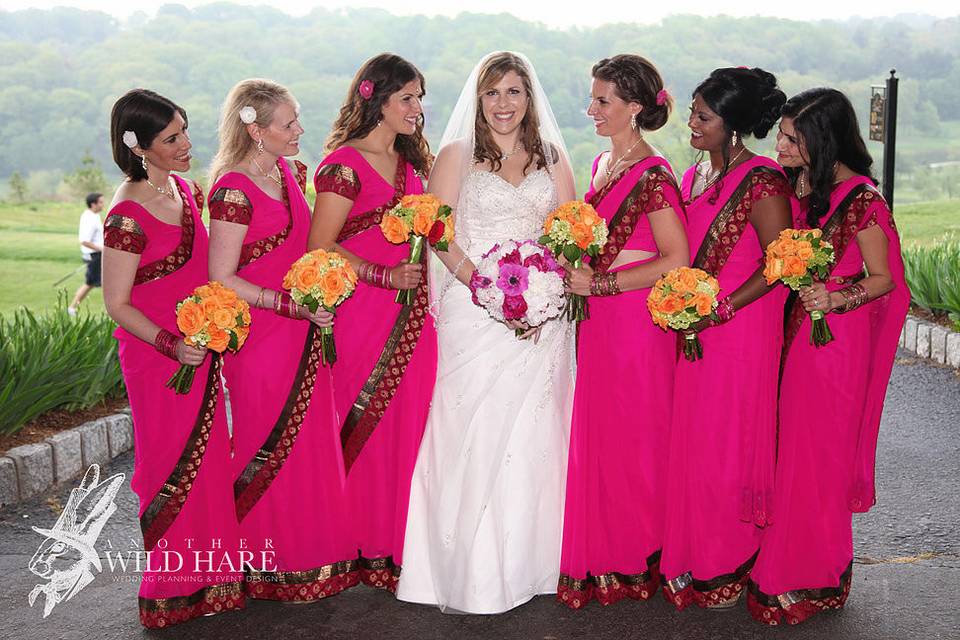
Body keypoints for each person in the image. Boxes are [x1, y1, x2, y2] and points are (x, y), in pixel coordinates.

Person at [396, 51, 577, 614]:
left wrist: (541, 292)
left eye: (514, 92)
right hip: (474, 306)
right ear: (478, 99)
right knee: (471, 430)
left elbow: (569, 234)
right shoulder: (455, 155)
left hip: (543, 314)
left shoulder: (552, 158)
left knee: (535, 432)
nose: (503, 104)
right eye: (492, 93)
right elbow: (436, 231)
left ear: (530, 98)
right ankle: (466, 572)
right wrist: (489, 288)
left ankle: (532, 563)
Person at [748, 88, 909, 625]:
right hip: (800, 336)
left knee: (815, 457)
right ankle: (795, 563)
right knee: (792, 449)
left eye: (793, 137)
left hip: (835, 344)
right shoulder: (807, 188)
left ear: (822, 141)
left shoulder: (862, 200)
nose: (781, 143)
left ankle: (811, 574)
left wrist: (836, 297)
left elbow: (883, 279)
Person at [207, 79, 358, 602]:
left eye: (297, 120)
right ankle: (265, 565)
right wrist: (287, 305)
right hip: (264, 337)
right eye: (288, 123)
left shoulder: (292, 172)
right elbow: (223, 276)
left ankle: (310, 560)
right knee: (266, 442)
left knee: (310, 442)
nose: (299, 131)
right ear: (254, 128)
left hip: (306, 328)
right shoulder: (232, 189)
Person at [102, 88, 244, 627]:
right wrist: (170, 344)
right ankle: (172, 591)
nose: (187, 144)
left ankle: (217, 581)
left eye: (185, 130)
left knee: (209, 463)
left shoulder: (188, 190)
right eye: (172, 138)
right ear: (138, 147)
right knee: (169, 467)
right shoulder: (126, 214)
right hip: (157, 360)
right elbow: (117, 303)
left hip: (201, 348)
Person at [659, 67, 797, 610]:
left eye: (703, 117)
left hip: (740, 331)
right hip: (694, 327)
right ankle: (693, 553)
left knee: (726, 442)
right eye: (693, 111)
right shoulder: (695, 175)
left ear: (733, 127)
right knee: (693, 441)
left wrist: (720, 308)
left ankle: (728, 560)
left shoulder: (763, 181)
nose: (691, 123)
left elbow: (781, 262)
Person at [557, 54, 688, 609]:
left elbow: (675, 258)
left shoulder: (653, 174)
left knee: (635, 439)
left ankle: (636, 558)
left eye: (603, 101)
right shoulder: (600, 165)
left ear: (635, 108)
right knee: (602, 438)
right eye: (592, 98)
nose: (591, 109)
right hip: (598, 320)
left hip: (634, 324)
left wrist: (601, 286)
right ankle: (605, 552)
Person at [308, 53, 437, 591]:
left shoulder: (415, 164)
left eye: (419, 98)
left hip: (415, 314)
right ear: (375, 98)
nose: (417, 108)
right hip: (362, 312)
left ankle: (401, 547)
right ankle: (358, 546)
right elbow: (321, 246)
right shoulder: (344, 164)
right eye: (407, 97)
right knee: (364, 425)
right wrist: (381, 275)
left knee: (413, 423)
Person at [68, 192, 104, 315]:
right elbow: (84, 241)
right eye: (100, 202)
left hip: (98, 254)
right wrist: (101, 249)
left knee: (94, 282)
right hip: (94, 255)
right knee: (90, 283)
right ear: (93, 204)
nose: (103, 204)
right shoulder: (89, 218)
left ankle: (72, 308)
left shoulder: (95, 215)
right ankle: (72, 308)